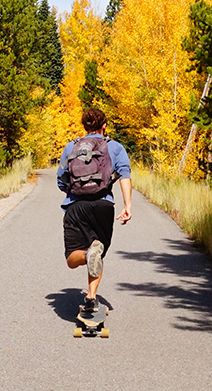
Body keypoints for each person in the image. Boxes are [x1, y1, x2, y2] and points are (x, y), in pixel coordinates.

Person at [57, 108, 132, 312]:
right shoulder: (115, 147)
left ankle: (87, 256)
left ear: (84, 126)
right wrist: (127, 205)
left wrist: (75, 189)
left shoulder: (71, 147)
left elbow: (60, 180)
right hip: (104, 205)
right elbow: (124, 174)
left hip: (76, 206)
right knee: (97, 253)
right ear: (104, 126)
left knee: (73, 258)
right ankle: (91, 296)